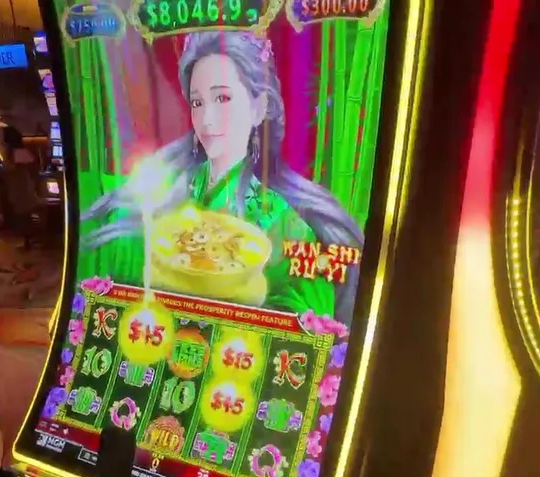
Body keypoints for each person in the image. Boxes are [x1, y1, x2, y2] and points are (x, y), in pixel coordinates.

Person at [79, 31, 364, 322]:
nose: (207, 119)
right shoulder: (164, 186)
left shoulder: (284, 221)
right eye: (197, 103)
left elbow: (308, 321)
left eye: (223, 98)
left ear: (259, 108)